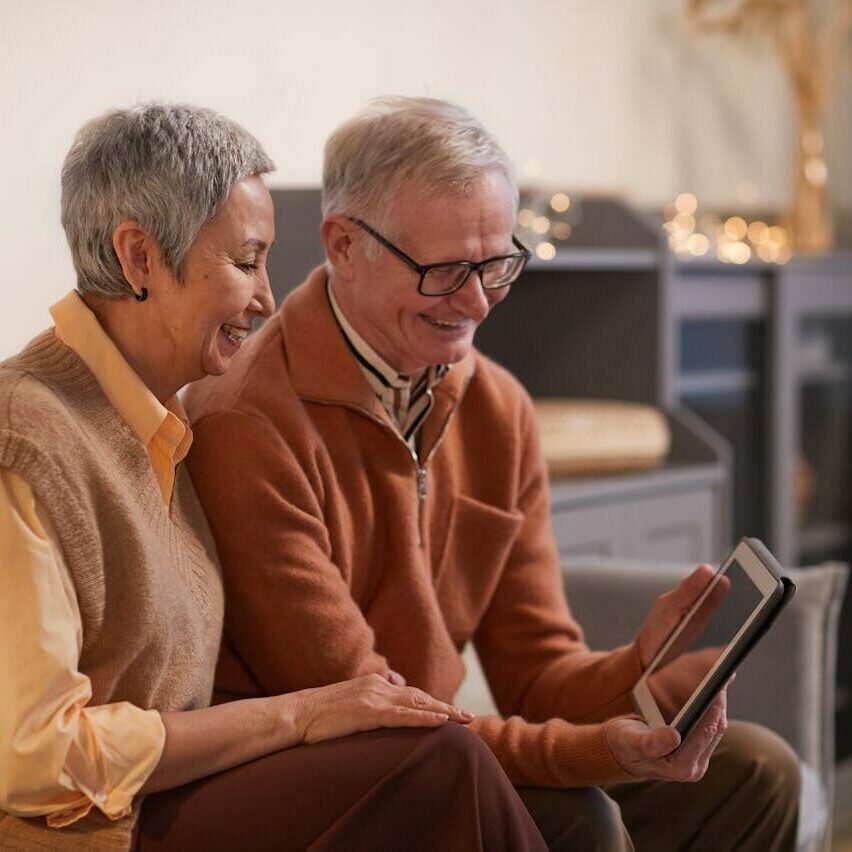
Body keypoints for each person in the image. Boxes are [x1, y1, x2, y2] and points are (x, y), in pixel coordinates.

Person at [185, 96, 802, 851]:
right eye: (445, 270)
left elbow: (538, 676)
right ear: (343, 245)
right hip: (328, 782)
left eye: (497, 263)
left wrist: (644, 666)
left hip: (441, 752)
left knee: (758, 774)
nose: (478, 302)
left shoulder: (498, 408)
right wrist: (600, 751)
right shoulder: (247, 424)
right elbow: (380, 716)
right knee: (577, 815)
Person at [0, 102, 547, 852]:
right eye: (245, 261)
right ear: (139, 260)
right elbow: (33, 757)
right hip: (93, 834)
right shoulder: (26, 439)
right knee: (440, 765)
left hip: (175, 799)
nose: (266, 298)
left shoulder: (155, 425)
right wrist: (298, 715)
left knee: (524, 797)